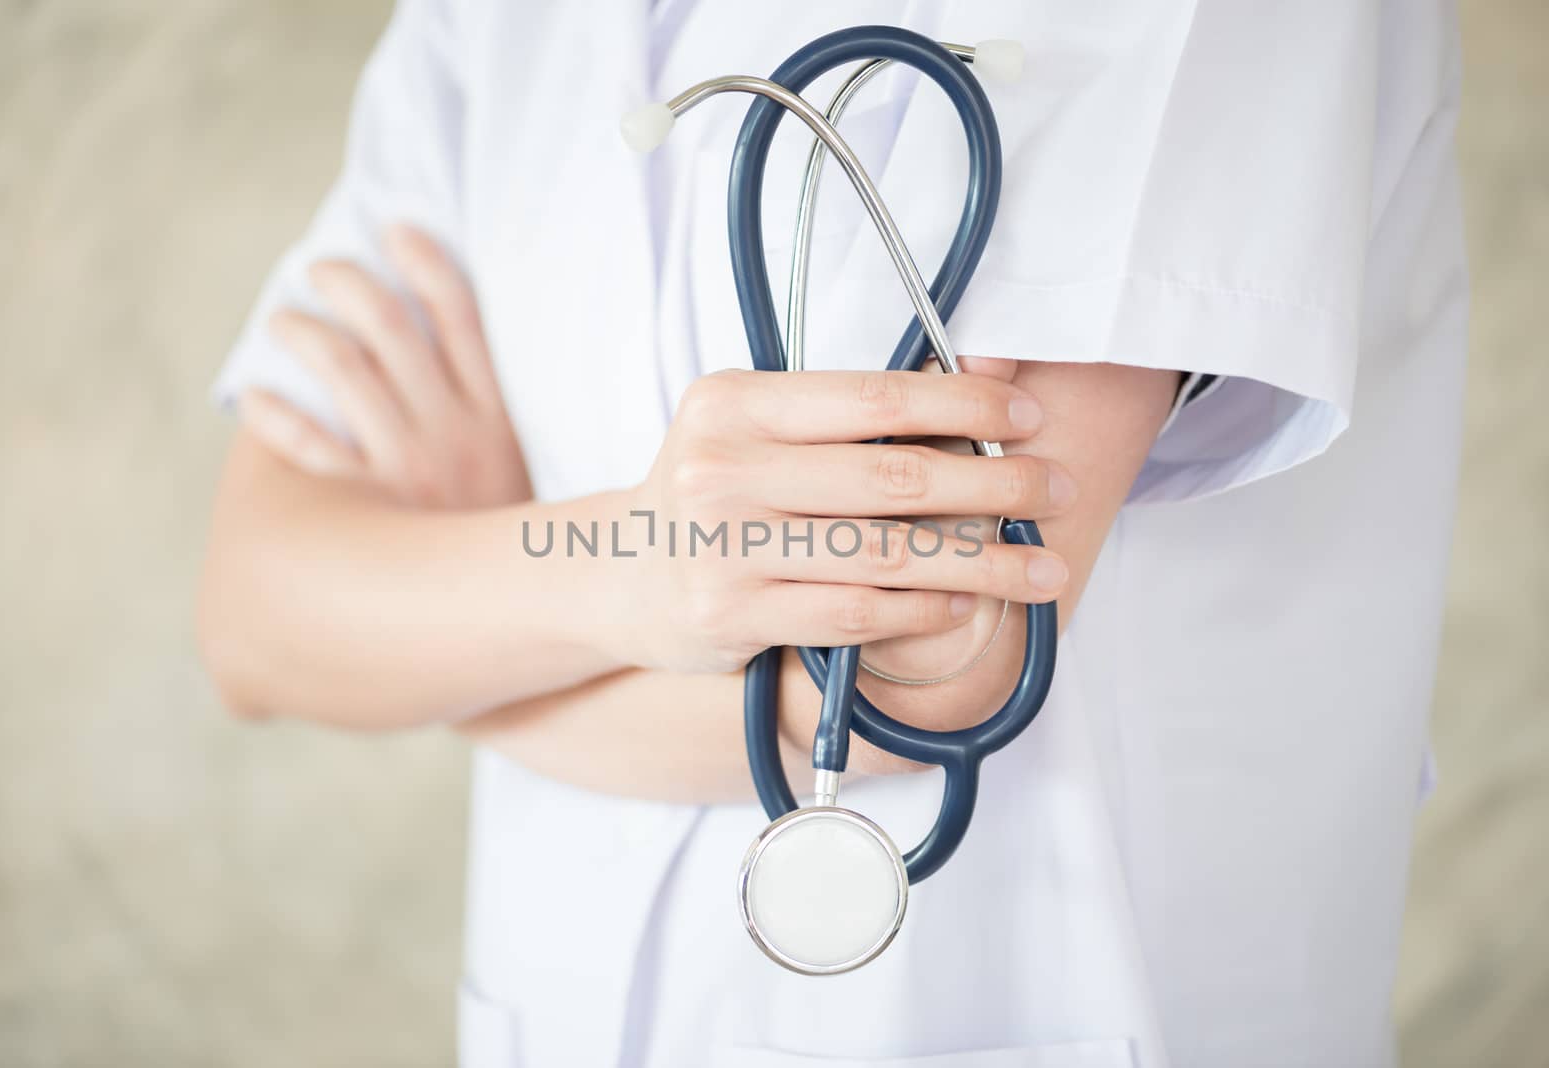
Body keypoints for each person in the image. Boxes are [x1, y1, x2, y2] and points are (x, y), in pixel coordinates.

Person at [197, 2, 1468, 1065]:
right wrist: (625, 566)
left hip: (1054, 997)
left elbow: (937, 662)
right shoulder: (481, 25)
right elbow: (251, 617)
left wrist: (453, 627)